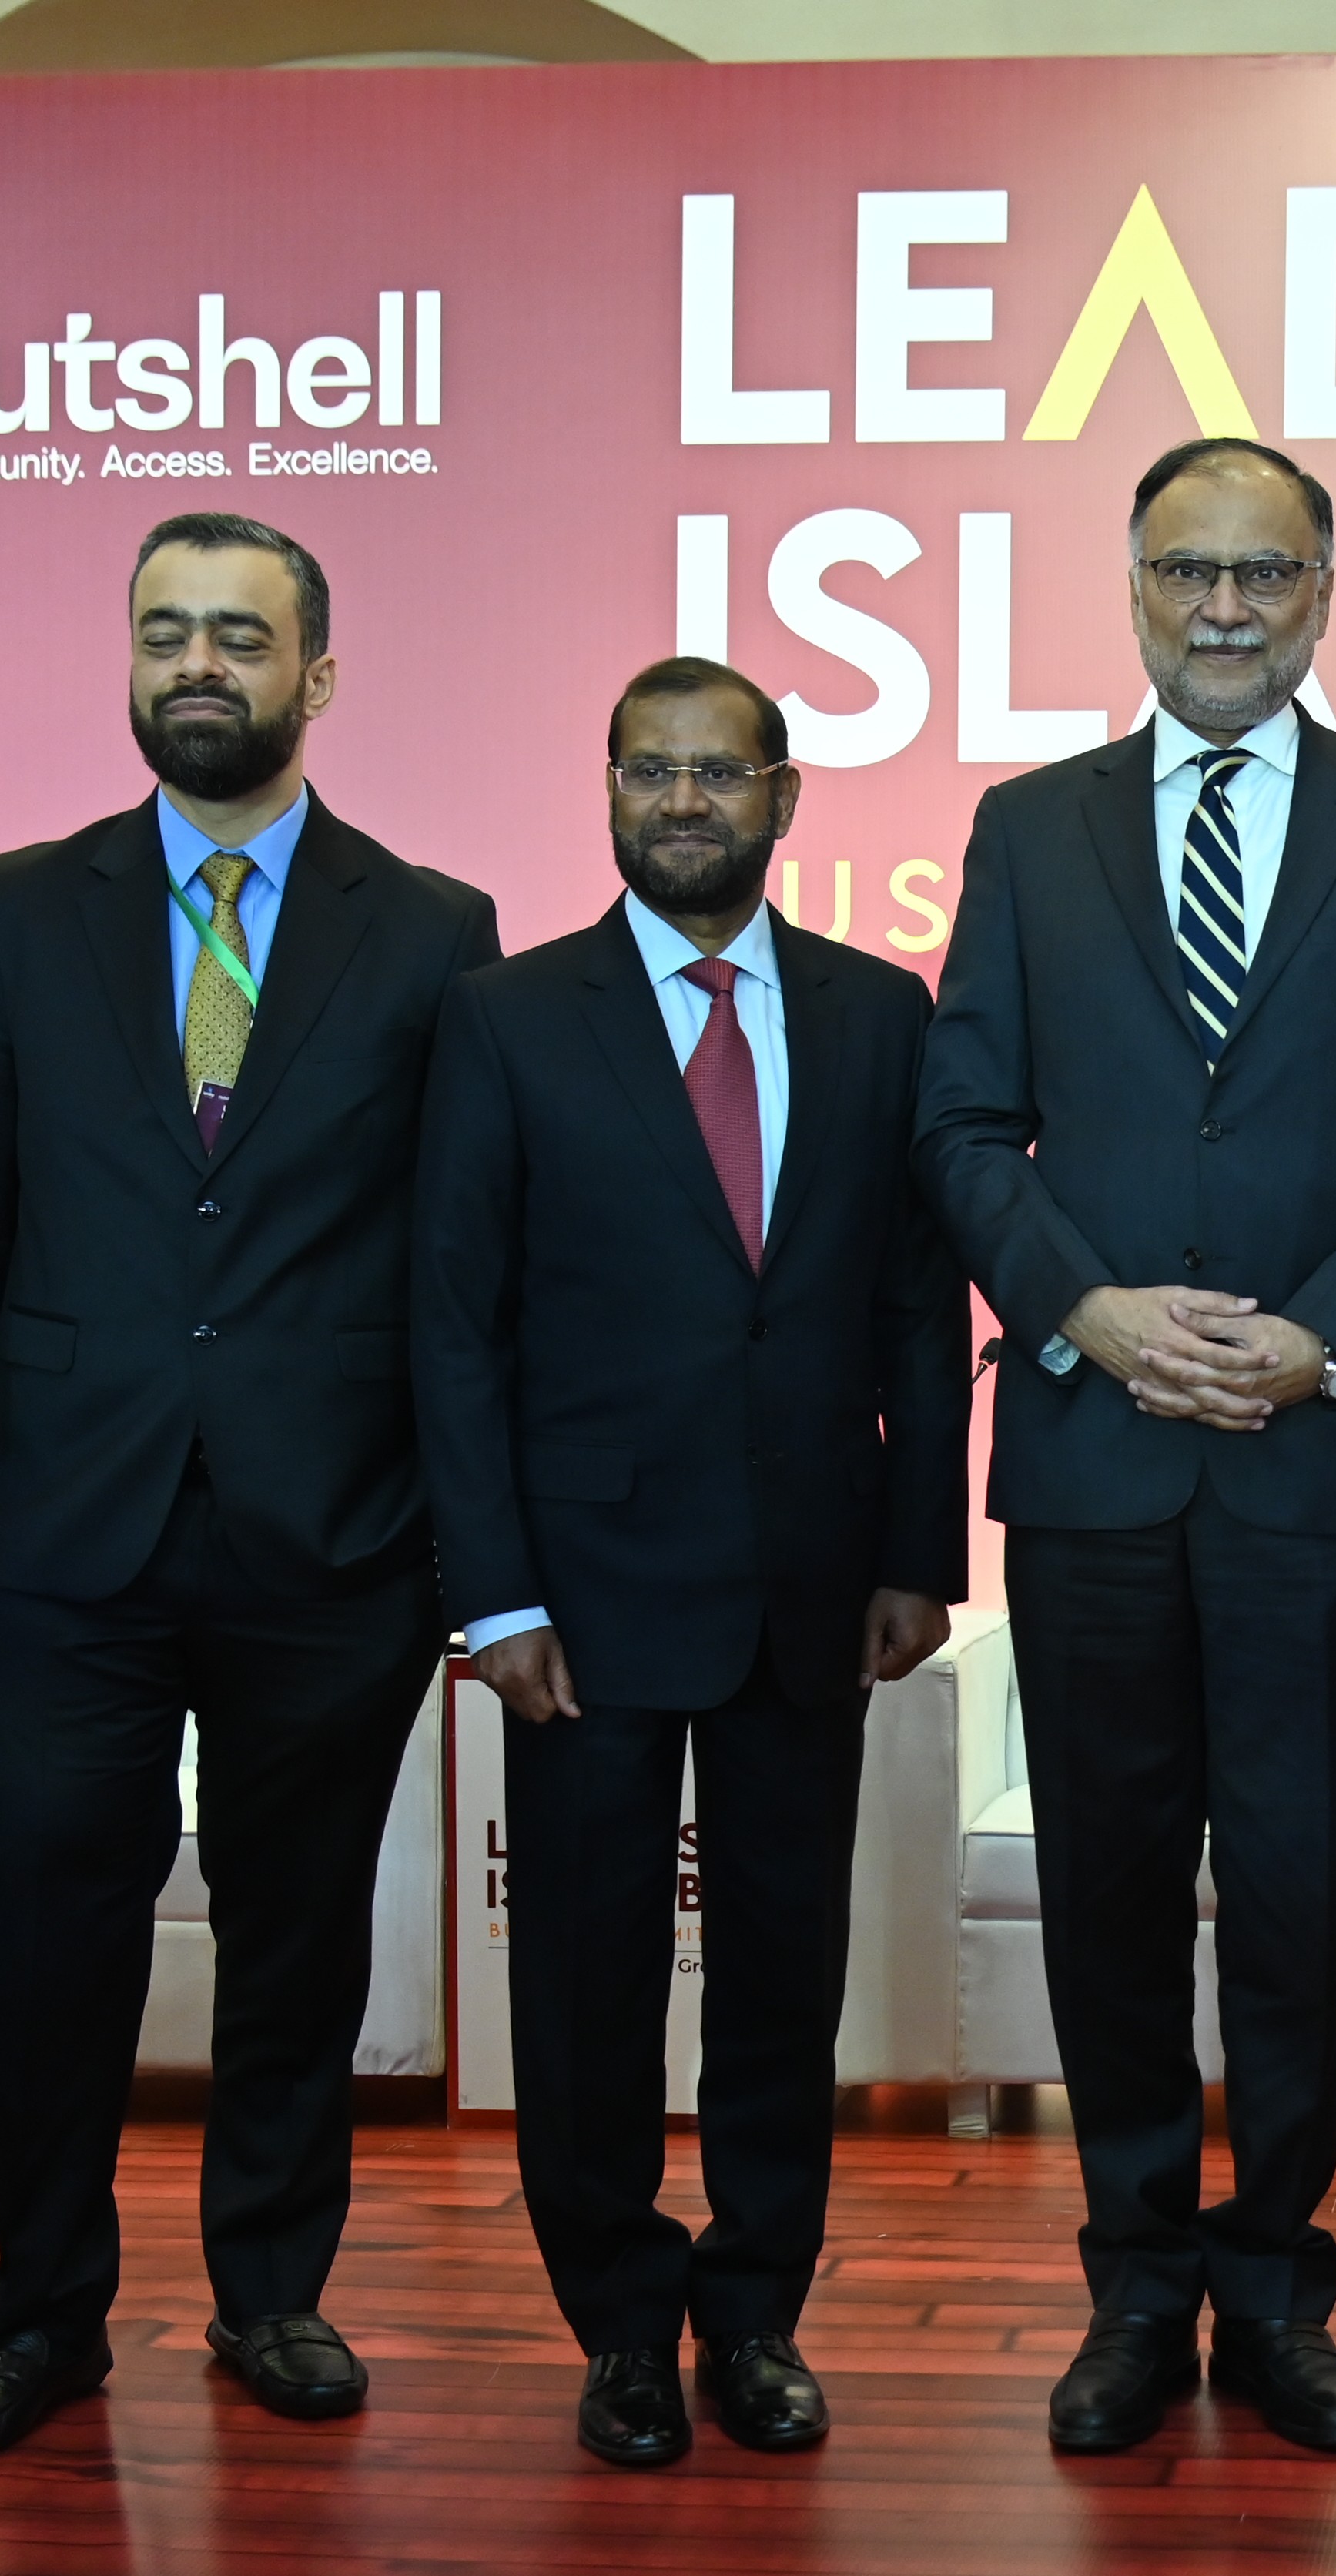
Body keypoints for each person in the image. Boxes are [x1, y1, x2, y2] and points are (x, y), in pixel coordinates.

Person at [916, 436, 1336, 2457]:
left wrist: (1323, 1339)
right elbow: (959, 1128)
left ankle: (1273, 2291)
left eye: (1268, 571)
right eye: (1191, 570)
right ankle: (1133, 2283)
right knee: (1102, 1893)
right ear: (1138, 585)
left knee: (1286, 1889)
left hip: (1316, 1463)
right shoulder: (1029, 827)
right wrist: (1082, 1310)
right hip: (1094, 1457)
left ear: (1326, 595)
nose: (1229, 605)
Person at [0, 513, 500, 2461]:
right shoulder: (14, 907)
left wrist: (452, 1539)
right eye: (166, 630)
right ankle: (40, 2311)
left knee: (298, 1928)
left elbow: (456, 1259)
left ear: (318, 673)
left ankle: (271, 2291)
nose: (198, 664)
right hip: (61, 1530)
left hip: (334, 1531)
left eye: (241, 635)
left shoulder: (431, 928)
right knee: (51, 1919)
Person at [412, 658, 969, 2469]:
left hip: (812, 1582)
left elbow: (912, 1302)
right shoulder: (506, 1018)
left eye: (717, 771)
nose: (682, 800)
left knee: (782, 1974)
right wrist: (492, 1593)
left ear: (785, 798)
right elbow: (457, 1327)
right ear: (607, 792)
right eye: (648, 768)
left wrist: (919, 1551)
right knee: (585, 1982)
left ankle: (757, 2311)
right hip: (576, 1599)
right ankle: (623, 2327)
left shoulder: (882, 1015)